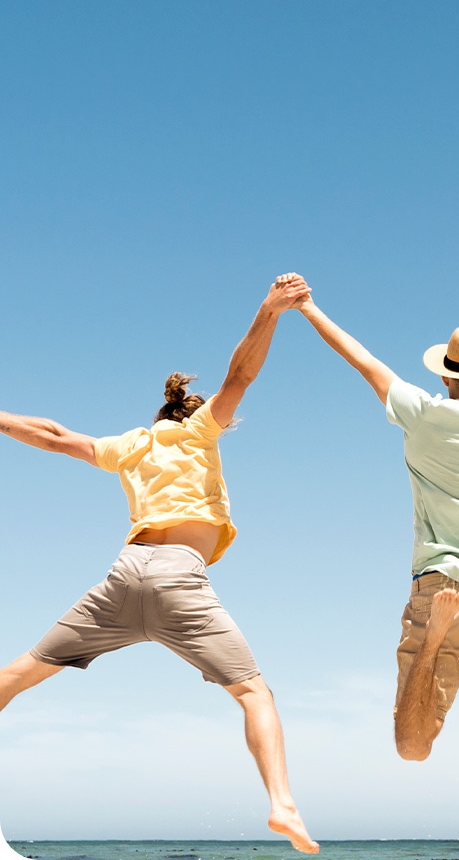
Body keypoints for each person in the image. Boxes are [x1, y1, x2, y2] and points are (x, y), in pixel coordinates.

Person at [0, 275, 318, 854]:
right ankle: (283, 804)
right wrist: (270, 309)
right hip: (179, 578)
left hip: (125, 575)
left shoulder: (132, 444)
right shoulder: (199, 430)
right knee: (253, 693)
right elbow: (240, 377)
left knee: (16, 676)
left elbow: (51, 437)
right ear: (198, 415)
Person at [295, 294, 459, 761]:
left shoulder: (422, 414)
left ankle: (438, 635)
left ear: (444, 373)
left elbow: (362, 360)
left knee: (413, 747)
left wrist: (307, 307)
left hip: (440, 590)